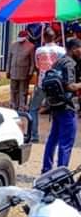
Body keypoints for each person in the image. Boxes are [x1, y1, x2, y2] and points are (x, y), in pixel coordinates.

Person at [41, 38, 81, 173]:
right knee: (66, 142)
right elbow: (70, 86)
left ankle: (46, 169)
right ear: (74, 49)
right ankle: (61, 174)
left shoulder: (58, 61)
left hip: (55, 105)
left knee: (53, 139)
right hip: (67, 106)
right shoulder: (69, 64)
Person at [29, 28, 66, 142]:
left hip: (42, 83)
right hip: (57, 84)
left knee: (33, 109)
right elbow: (65, 65)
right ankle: (57, 136)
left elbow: (37, 66)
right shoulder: (62, 50)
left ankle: (34, 135)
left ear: (44, 38)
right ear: (55, 38)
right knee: (58, 110)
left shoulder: (39, 50)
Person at [6, 30, 35, 110]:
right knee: (13, 90)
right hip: (13, 71)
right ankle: (13, 105)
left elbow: (32, 62)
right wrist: (8, 71)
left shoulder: (31, 46)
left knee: (23, 91)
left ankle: (22, 107)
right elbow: (9, 59)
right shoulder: (13, 45)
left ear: (26, 37)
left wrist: (30, 72)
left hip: (24, 73)